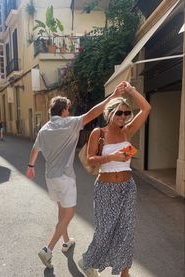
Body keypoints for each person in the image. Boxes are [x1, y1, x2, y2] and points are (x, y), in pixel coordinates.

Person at [25, 82, 126, 270]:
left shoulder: (44, 129)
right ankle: (48, 248)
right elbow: (93, 113)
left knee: (61, 210)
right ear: (64, 110)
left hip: (50, 177)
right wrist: (113, 97)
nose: (69, 112)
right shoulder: (70, 123)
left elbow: (34, 149)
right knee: (69, 213)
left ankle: (66, 241)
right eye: (68, 109)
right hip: (65, 177)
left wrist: (31, 166)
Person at [78, 81, 151, 277]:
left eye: (126, 113)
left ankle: (124, 271)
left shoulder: (127, 130)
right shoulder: (98, 133)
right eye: (119, 113)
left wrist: (130, 90)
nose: (123, 117)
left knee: (125, 232)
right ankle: (88, 261)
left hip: (127, 187)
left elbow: (146, 108)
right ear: (109, 113)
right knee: (105, 231)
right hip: (105, 188)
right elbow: (91, 159)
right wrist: (111, 157)